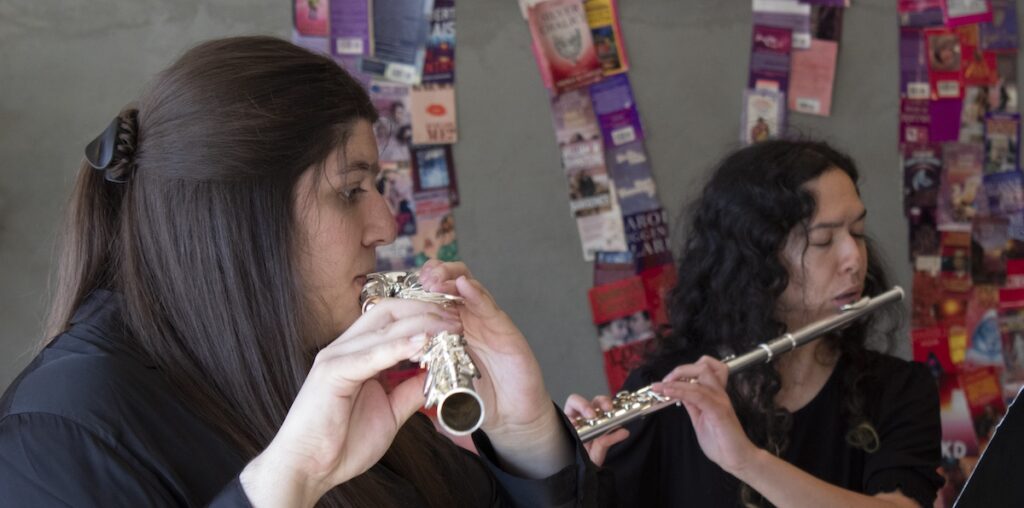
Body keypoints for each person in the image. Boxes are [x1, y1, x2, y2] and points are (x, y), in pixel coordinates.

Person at [0, 36, 608, 507]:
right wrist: (288, 479)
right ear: (238, 219)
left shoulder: (317, 355)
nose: (386, 226)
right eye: (350, 191)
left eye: (379, 188)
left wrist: (526, 435)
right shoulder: (56, 434)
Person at [565, 140, 943, 507]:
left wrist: (747, 460)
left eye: (857, 233)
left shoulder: (899, 390)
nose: (854, 259)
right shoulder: (671, 391)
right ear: (757, 260)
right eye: (825, 240)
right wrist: (572, 479)